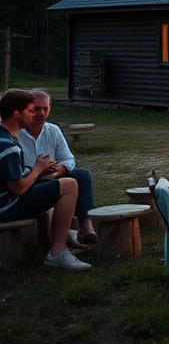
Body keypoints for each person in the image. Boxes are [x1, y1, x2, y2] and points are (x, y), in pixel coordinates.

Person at [0, 88, 90, 270]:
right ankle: (58, 252)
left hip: (8, 199)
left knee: (74, 178)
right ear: (17, 114)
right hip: (6, 206)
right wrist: (37, 169)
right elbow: (18, 188)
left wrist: (39, 174)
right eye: (31, 110)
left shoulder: (7, 138)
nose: (35, 115)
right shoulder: (7, 145)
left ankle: (72, 234)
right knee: (69, 185)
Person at [17, 89, 98, 246]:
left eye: (45, 108)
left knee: (82, 174)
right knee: (69, 183)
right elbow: (14, 172)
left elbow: (68, 158)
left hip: (53, 177)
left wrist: (60, 168)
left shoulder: (52, 130)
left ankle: (86, 226)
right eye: (37, 109)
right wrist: (39, 171)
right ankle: (59, 245)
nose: (42, 113)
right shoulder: (16, 133)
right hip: (28, 184)